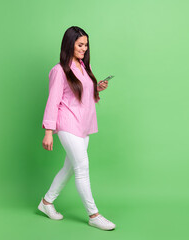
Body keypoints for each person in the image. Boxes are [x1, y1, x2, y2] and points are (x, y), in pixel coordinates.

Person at [38, 26, 116, 231]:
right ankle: (94, 214)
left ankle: (46, 202)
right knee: (82, 167)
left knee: (70, 167)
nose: (84, 48)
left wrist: (96, 88)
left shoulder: (83, 66)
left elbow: (80, 95)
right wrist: (48, 131)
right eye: (80, 45)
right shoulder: (59, 71)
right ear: (69, 44)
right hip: (67, 123)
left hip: (83, 125)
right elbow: (53, 101)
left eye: (86, 45)